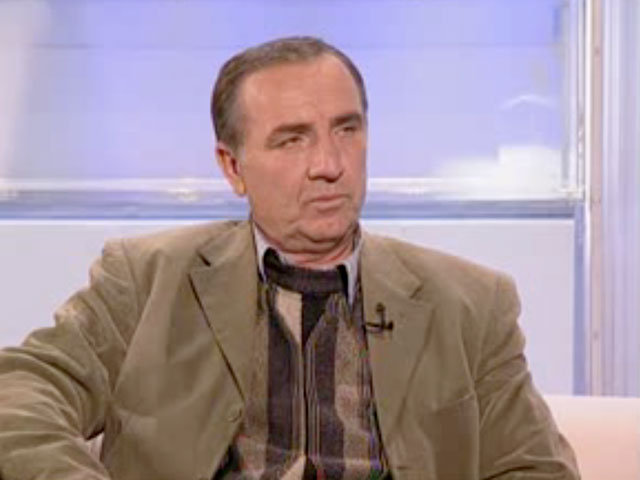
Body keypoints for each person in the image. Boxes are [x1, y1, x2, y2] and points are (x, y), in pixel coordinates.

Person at [0, 37, 579, 480]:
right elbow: (19, 392)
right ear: (232, 167)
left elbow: (536, 468)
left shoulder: (471, 304)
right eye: (292, 139)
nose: (329, 164)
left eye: (346, 130)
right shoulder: (146, 279)